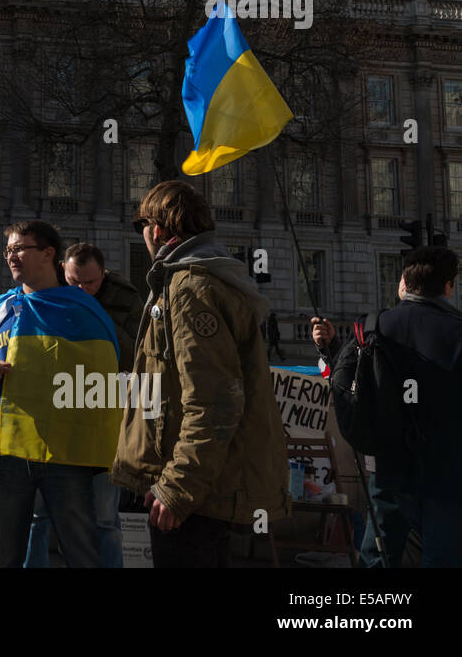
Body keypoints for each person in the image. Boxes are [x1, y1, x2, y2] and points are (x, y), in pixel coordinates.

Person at [112, 180, 289, 567]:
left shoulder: (190, 288)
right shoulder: (197, 279)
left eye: (141, 225)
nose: (142, 235)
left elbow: (214, 401)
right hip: (204, 485)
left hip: (196, 494)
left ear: (157, 230)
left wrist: (178, 488)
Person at [0, 221, 121, 568]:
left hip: (66, 455)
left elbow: (103, 382)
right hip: (4, 452)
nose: (10, 257)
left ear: (49, 254)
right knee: (3, 555)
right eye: (8, 250)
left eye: (19, 249)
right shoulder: (1, 308)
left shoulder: (83, 310)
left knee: (82, 553)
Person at [311, 247, 462, 567]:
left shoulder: (372, 327)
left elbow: (346, 382)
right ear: (449, 286)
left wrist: (332, 347)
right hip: (445, 471)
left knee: (378, 557)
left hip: (386, 466)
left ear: (404, 282)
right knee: (442, 557)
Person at [26, 241, 142, 568]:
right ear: (63, 270)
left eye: (90, 282)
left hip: (102, 416)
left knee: (104, 514)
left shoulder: (126, 298)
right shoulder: (46, 292)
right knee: (39, 512)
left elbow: (137, 356)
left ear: (104, 274)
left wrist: (96, 319)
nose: (82, 288)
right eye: (75, 281)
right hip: (55, 418)